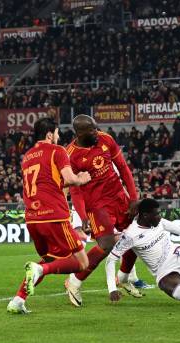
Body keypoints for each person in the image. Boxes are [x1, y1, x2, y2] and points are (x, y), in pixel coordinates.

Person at [7, 117, 91, 314]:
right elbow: (70, 178)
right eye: (57, 133)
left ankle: (18, 299)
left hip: (33, 219)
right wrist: (81, 179)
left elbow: (50, 183)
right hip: (54, 217)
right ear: (49, 134)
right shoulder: (57, 150)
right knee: (82, 262)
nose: (58, 137)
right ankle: (39, 270)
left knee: (49, 259)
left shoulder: (27, 156)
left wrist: (69, 182)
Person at [64, 115, 141, 307]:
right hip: (97, 204)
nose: (96, 133)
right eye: (92, 131)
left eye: (96, 128)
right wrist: (82, 216)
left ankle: (122, 279)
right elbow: (75, 189)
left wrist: (133, 198)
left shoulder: (105, 139)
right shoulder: (70, 155)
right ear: (80, 133)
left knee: (136, 236)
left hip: (118, 197)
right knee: (106, 244)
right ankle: (74, 282)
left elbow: (123, 168)